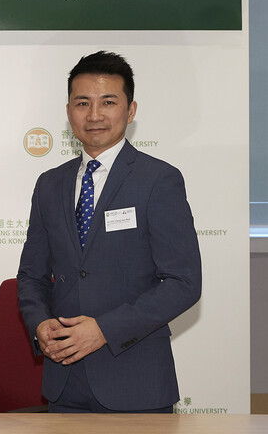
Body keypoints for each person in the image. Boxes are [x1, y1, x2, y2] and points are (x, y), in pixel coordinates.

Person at [16, 50, 202, 413]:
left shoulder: (158, 179)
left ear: (130, 111)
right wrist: (39, 324)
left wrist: (104, 329)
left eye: (108, 102)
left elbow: (183, 282)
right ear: (69, 110)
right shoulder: (49, 184)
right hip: (64, 383)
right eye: (82, 102)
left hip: (136, 383)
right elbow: (31, 276)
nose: (95, 114)